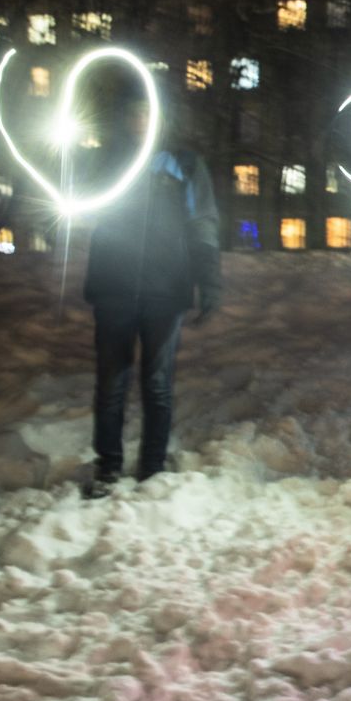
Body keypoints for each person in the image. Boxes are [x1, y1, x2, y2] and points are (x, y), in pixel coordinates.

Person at [81, 103, 221, 499]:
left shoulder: (184, 163)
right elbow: (80, 200)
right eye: (133, 112)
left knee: (157, 384)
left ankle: (152, 469)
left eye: (146, 111)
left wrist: (209, 278)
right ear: (124, 117)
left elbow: (203, 221)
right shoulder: (107, 159)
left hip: (165, 290)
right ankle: (108, 467)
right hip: (114, 287)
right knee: (111, 383)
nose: (139, 119)